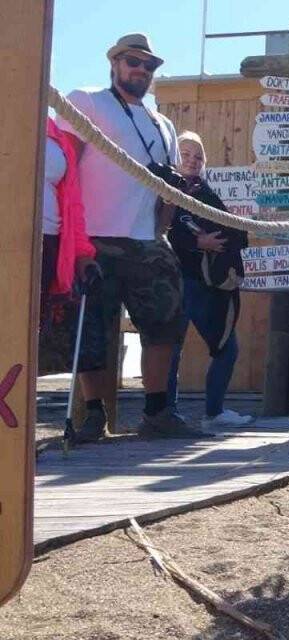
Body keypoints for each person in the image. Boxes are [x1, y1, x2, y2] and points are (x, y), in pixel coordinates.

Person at [55, 33, 204, 440]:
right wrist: (74, 239)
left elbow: (166, 190)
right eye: (133, 62)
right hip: (95, 235)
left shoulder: (164, 124)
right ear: (115, 63)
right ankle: (93, 416)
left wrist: (165, 224)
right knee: (92, 330)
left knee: (166, 323)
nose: (141, 70)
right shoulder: (86, 101)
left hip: (146, 239)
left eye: (148, 65)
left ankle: (157, 412)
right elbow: (62, 165)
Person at [163, 132, 253, 429]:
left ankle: (214, 413)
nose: (191, 160)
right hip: (174, 279)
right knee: (169, 349)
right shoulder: (163, 189)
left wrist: (212, 242)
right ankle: (166, 413)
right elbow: (160, 229)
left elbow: (237, 233)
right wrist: (195, 243)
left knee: (228, 347)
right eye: (185, 154)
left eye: (197, 156)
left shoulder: (206, 193)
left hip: (206, 285)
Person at [41, 116, 97, 313]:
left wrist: (82, 253)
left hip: (47, 244)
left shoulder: (54, 133)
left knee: (31, 324)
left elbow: (72, 203)